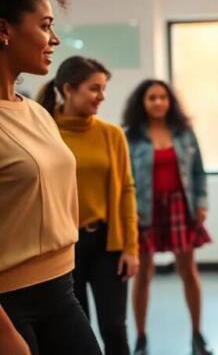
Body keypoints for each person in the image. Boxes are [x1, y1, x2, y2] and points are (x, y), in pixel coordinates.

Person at [0, 0, 102, 355]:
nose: (54, 38)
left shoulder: (38, 114)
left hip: (61, 292)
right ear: (4, 30)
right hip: (9, 307)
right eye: (44, 25)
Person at [36, 56, 138, 355]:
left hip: (107, 242)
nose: (101, 96)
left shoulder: (112, 134)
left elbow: (126, 191)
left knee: (114, 328)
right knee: (75, 333)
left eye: (103, 89)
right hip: (63, 245)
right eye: (94, 89)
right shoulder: (45, 130)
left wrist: (131, 248)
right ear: (68, 89)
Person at [123, 80, 213, 355]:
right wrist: (129, 211)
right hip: (144, 209)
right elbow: (125, 178)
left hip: (180, 206)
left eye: (163, 97)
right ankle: (141, 340)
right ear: (142, 102)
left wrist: (201, 203)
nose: (158, 102)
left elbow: (198, 172)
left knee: (188, 271)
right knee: (143, 274)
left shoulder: (184, 133)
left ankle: (197, 336)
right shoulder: (131, 137)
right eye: (152, 98)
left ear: (170, 101)